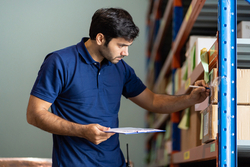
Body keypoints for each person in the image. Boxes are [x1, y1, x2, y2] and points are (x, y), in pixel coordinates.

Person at [26, 8, 210, 167]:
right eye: (121, 45)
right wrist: (82, 131)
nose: (126, 53)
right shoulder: (60, 62)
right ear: (100, 38)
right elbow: (35, 114)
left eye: (128, 46)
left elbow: (153, 101)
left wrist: (191, 99)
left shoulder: (120, 68)